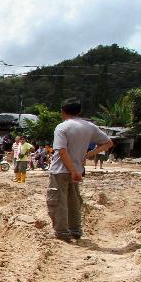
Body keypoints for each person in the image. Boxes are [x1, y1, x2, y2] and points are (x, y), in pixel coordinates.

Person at [47, 98, 113, 241]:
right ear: (79, 111)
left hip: (61, 170)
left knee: (58, 202)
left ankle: (62, 233)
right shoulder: (89, 126)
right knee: (74, 201)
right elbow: (108, 143)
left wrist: (72, 170)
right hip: (77, 169)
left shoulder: (62, 127)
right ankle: (75, 230)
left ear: (63, 111)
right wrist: (89, 154)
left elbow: (62, 152)